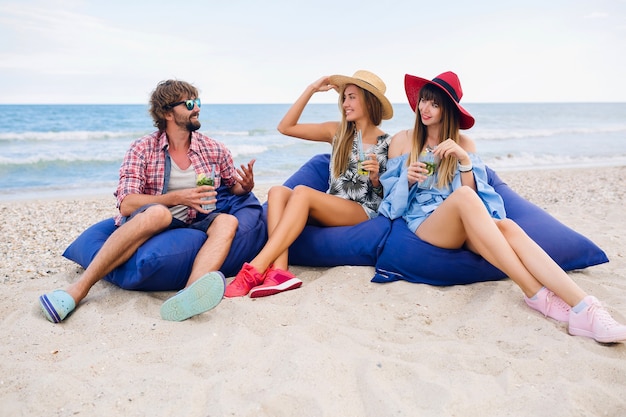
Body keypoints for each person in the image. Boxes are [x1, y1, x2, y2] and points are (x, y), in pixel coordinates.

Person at [379, 71, 626, 344]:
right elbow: (392, 206)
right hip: (427, 224)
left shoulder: (465, 145)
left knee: (507, 225)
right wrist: (407, 180)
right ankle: (535, 292)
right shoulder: (402, 141)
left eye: (434, 104)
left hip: (464, 221)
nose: (425, 108)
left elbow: (476, 199)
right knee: (464, 199)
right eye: (424, 100)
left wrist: (464, 161)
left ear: (447, 109)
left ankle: (584, 307)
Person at [39, 79, 256, 322]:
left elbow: (232, 185)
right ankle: (78, 290)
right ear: (167, 113)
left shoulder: (213, 148)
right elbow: (126, 203)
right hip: (156, 221)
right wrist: (174, 198)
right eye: (189, 103)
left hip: (197, 220)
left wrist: (244, 186)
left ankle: (189, 295)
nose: (197, 108)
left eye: (198, 102)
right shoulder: (142, 149)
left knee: (227, 221)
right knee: (159, 213)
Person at [224, 70, 394, 298]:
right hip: (333, 204)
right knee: (277, 192)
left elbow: (389, 194)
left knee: (302, 192)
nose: (345, 103)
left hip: (362, 210)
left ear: (369, 101)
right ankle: (280, 271)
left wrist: (375, 178)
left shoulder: (388, 143)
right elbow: (286, 127)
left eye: (352, 97)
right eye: (344, 98)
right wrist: (311, 89)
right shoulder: (338, 132)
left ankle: (256, 267)